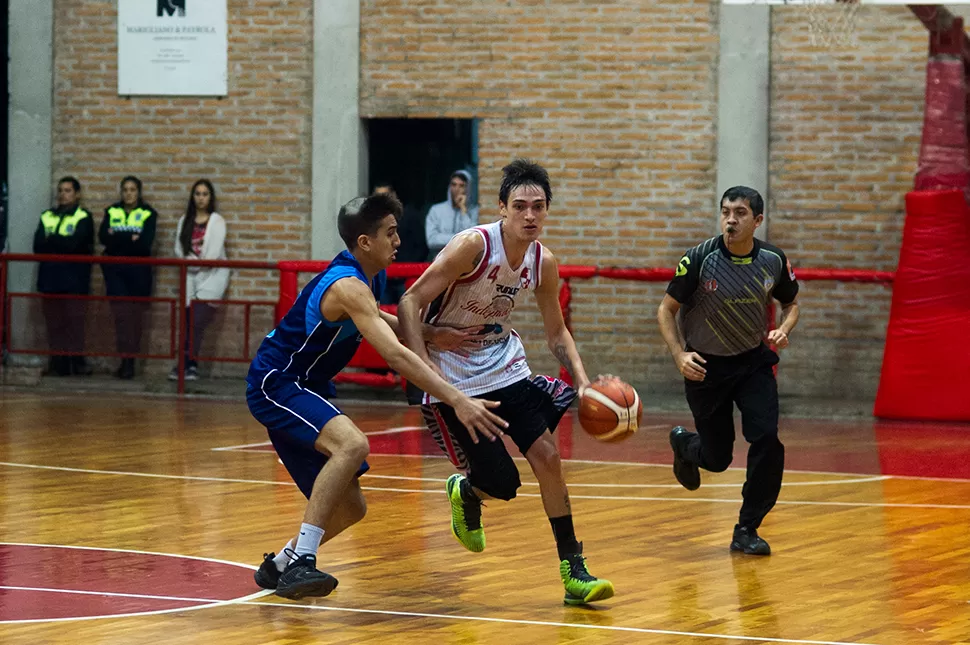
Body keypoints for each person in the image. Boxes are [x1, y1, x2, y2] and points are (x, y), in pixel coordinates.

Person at [246, 193, 508, 600]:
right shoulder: (348, 285)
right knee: (352, 444)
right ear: (364, 242)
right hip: (278, 382)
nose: (398, 240)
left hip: (308, 385)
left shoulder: (367, 278)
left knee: (352, 508)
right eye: (390, 233)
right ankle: (303, 563)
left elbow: (376, 316)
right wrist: (457, 397)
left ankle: (280, 564)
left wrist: (432, 334)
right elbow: (395, 355)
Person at [398, 159, 615, 606]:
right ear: (502, 207)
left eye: (538, 207)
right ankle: (467, 490)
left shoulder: (542, 261)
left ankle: (574, 569)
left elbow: (557, 334)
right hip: (453, 376)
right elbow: (409, 301)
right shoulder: (471, 247)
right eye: (520, 206)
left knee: (548, 456)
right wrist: (427, 370)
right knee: (502, 483)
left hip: (503, 365)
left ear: (548, 211)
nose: (530, 215)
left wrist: (584, 381)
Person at [657, 185, 800, 556]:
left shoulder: (772, 259)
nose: (731, 220)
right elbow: (665, 310)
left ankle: (747, 527)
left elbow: (792, 303)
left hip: (752, 362)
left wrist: (783, 329)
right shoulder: (700, 258)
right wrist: (678, 356)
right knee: (718, 459)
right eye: (725, 212)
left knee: (766, 438)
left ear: (758, 220)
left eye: (739, 213)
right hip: (706, 367)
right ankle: (686, 446)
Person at [33, 176, 94, 376]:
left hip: (74, 280)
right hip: (50, 279)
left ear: (77, 194)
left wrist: (53, 239)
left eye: (67, 190)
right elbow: (38, 246)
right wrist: (61, 242)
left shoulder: (83, 217)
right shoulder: (47, 216)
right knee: (54, 324)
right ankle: (57, 363)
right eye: (60, 190)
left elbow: (75, 245)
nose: (62, 194)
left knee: (74, 323)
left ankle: (76, 363)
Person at [170, 179, 229, 381]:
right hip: (189, 278)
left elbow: (211, 257)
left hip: (211, 278)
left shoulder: (217, 221)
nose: (201, 198)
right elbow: (179, 249)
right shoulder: (184, 220)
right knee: (187, 322)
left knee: (197, 321)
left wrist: (192, 262)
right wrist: (192, 262)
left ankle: (189, 364)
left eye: (205, 194)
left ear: (210, 197)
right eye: (197, 194)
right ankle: (186, 365)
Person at [100, 176, 158, 379]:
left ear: (138, 192)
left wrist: (117, 237)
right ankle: (123, 360)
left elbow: (144, 243)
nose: (128, 193)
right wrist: (130, 238)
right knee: (121, 317)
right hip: (115, 272)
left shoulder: (148, 213)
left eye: (132, 189)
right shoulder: (112, 211)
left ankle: (130, 363)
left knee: (135, 318)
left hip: (138, 273)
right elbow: (103, 238)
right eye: (125, 189)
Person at [424, 169, 478, 260]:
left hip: (465, 263)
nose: (456, 189)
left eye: (461, 186)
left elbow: (472, 238)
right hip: (439, 262)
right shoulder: (436, 210)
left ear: (468, 188)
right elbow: (432, 240)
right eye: (454, 185)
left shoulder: (474, 211)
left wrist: (463, 210)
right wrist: (459, 238)